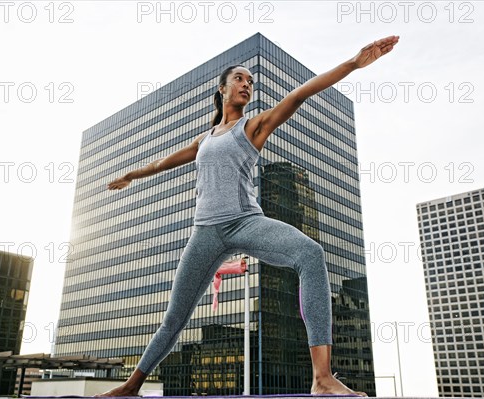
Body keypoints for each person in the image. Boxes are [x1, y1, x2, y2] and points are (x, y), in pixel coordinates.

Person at [100, 35, 400, 397]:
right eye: (240, 79)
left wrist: (352, 64)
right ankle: (131, 387)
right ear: (222, 89)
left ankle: (322, 378)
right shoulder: (205, 139)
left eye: (251, 82)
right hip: (206, 232)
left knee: (310, 254)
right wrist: (132, 175)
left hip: (246, 221)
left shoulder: (253, 127)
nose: (247, 84)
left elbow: (298, 96)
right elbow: (163, 162)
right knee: (174, 318)